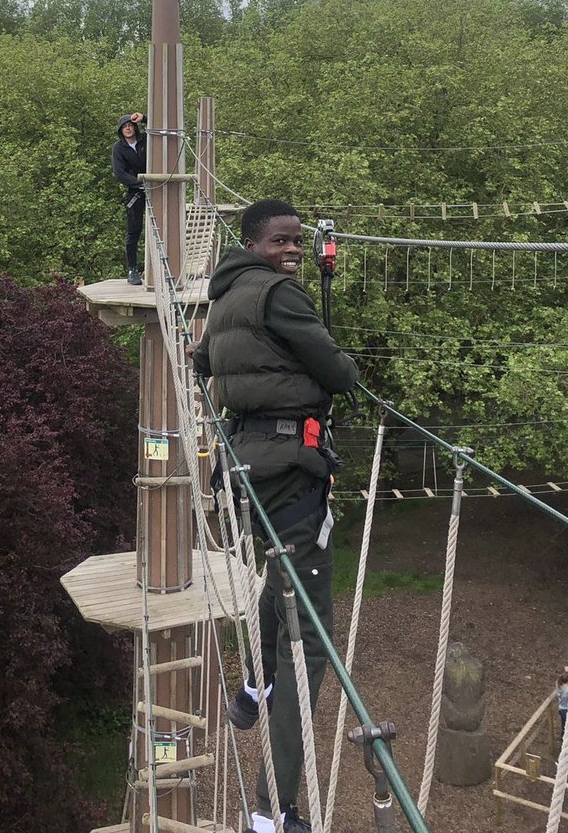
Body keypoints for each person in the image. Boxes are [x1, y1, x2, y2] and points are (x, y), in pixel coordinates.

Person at [190, 199, 358, 833]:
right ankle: (271, 810)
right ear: (254, 242)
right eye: (281, 241)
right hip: (291, 469)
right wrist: (340, 368)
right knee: (310, 641)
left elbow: (204, 363)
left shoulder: (226, 296)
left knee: (278, 574)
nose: (292, 252)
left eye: (296, 242)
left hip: (244, 471)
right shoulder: (282, 297)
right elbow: (338, 373)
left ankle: (252, 691)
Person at [111, 112, 146, 285]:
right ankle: (133, 269)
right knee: (134, 230)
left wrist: (144, 118)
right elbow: (119, 173)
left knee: (162, 227)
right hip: (136, 190)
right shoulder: (118, 148)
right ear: (121, 130)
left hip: (157, 186)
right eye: (125, 127)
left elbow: (160, 130)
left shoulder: (146, 140)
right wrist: (138, 182)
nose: (128, 129)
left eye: (130, 126)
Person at [556, 667, 568, 736]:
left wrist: (566, 672)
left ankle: (562, 736)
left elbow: (560, 678)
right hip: (566, 709)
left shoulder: (558, 685)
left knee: (563, 724)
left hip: (561, 708)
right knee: (567, 725)